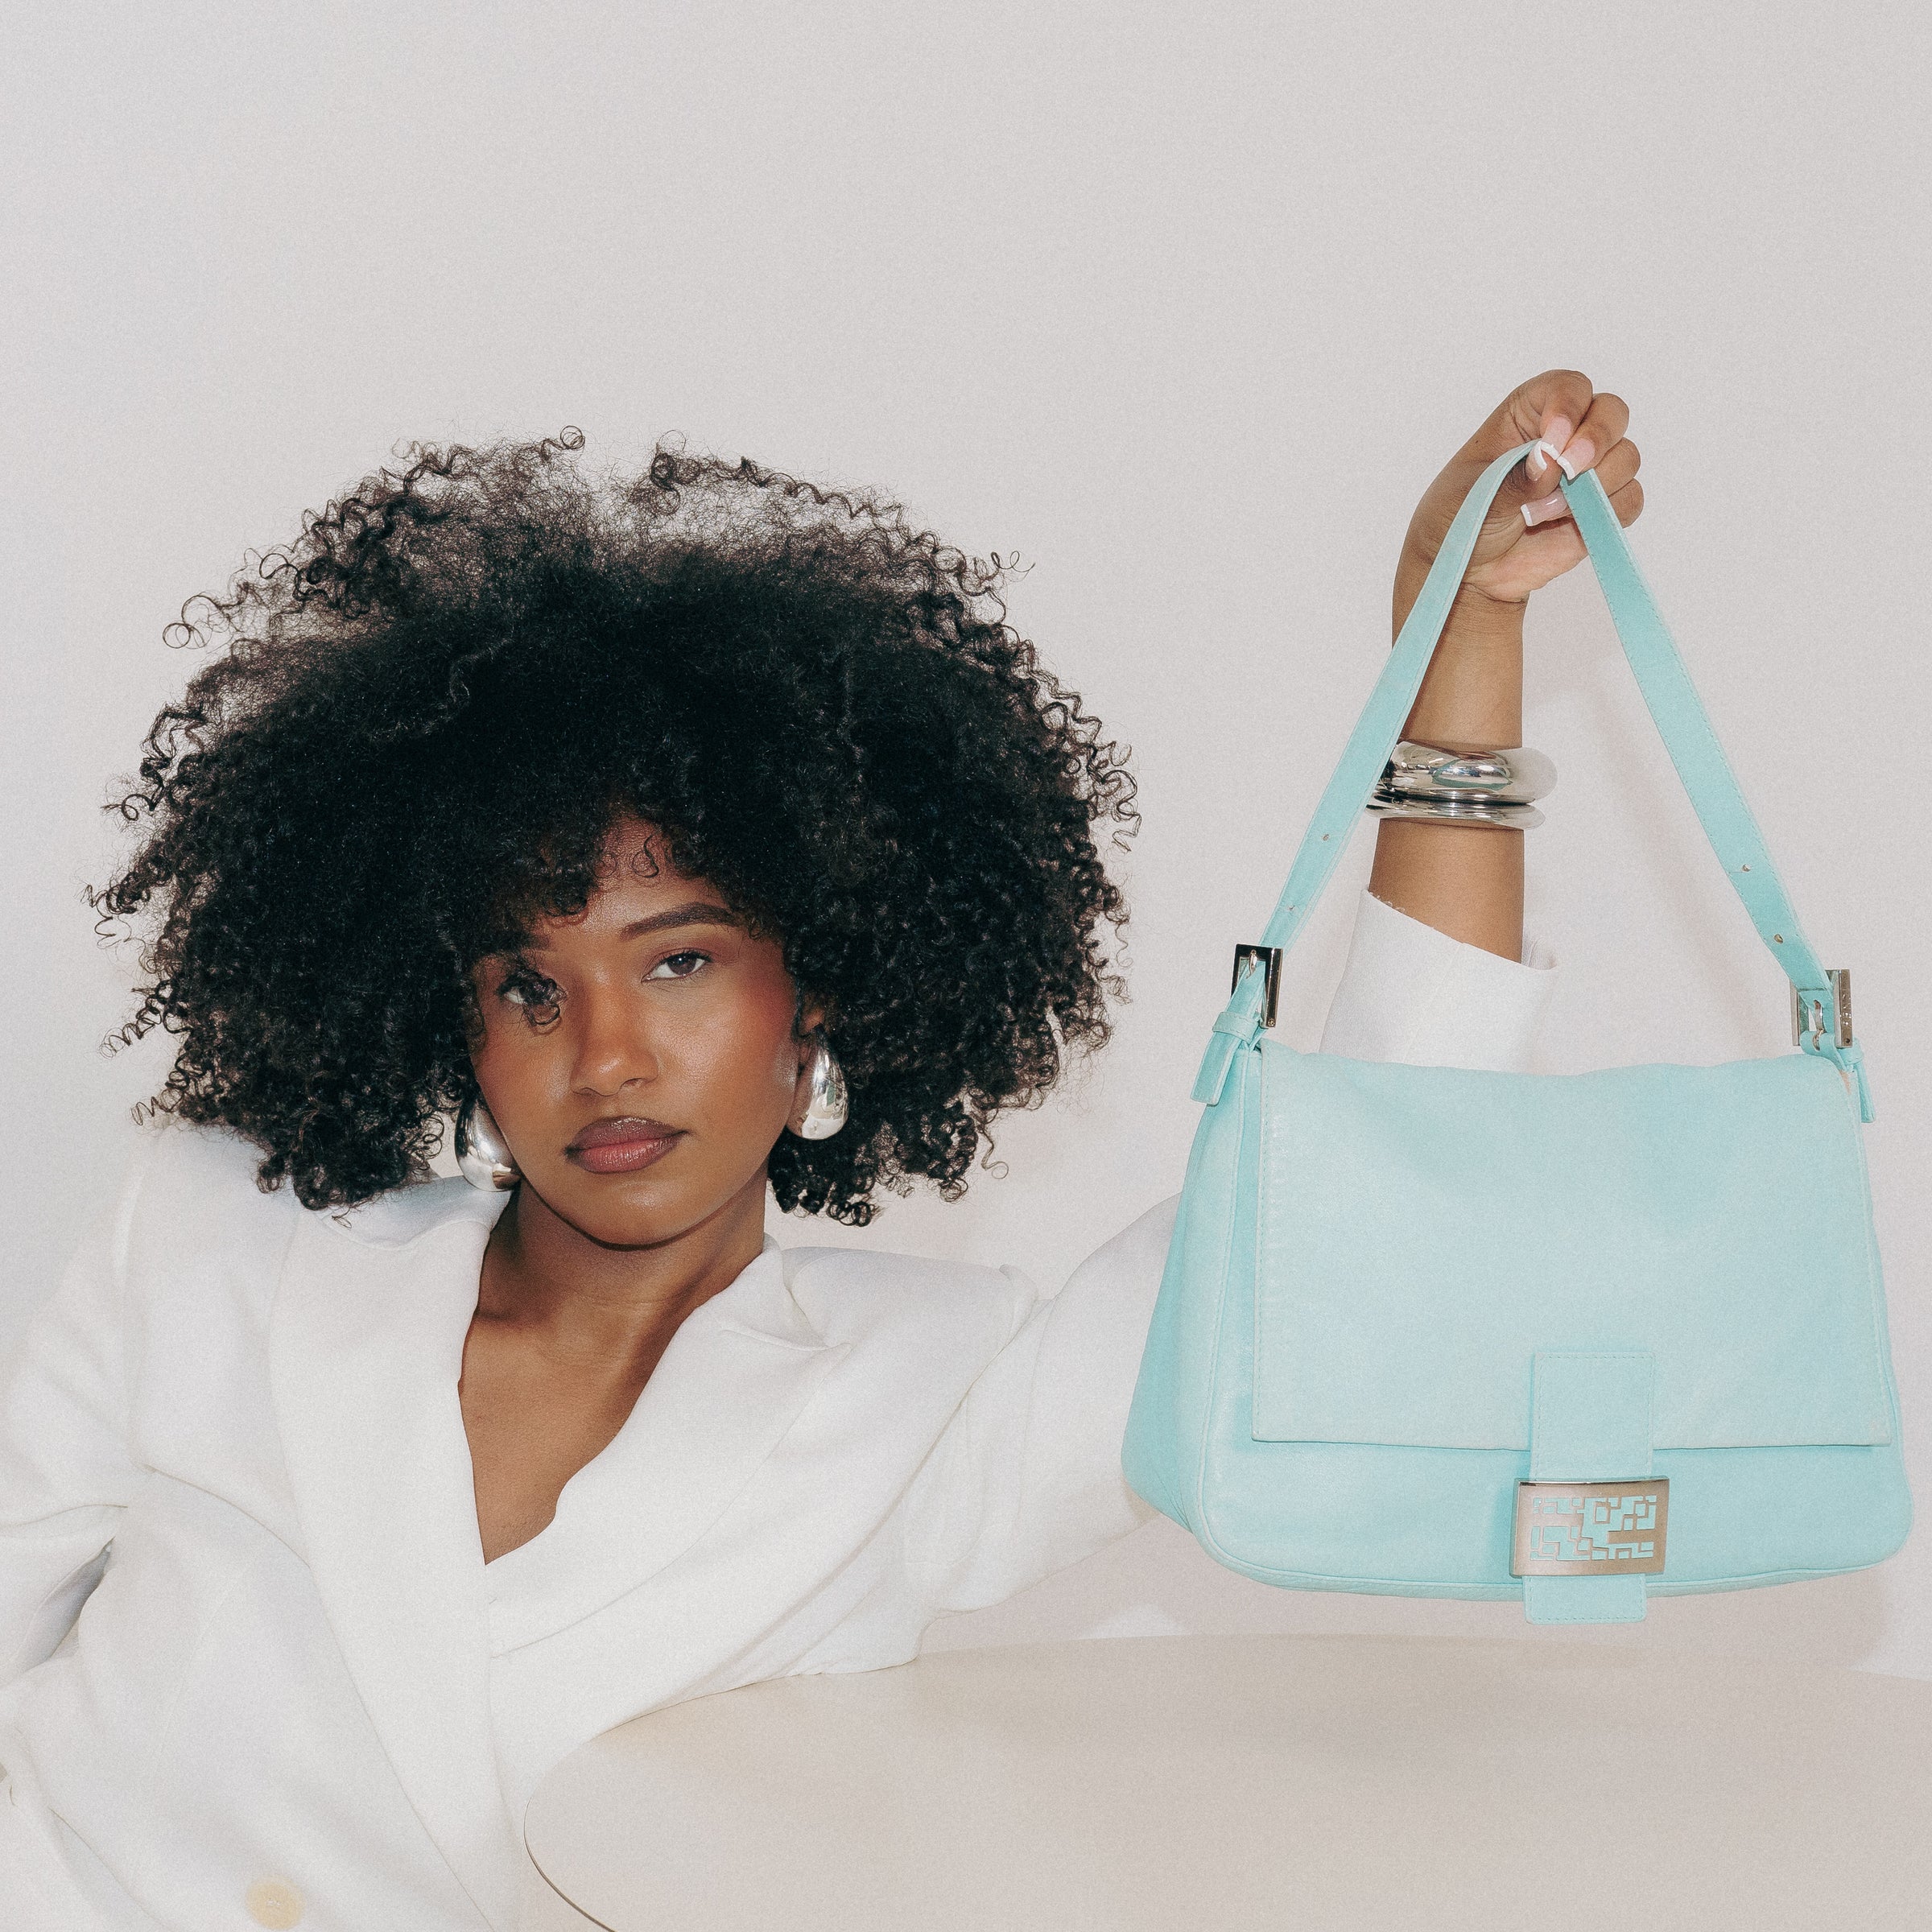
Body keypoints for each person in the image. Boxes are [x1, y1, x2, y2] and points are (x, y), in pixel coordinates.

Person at [0, 374, 1639, 1931]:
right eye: (529, 987)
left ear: (821, 999)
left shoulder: (928, 1401)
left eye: (680, 960)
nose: (606, 1055)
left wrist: (1459, 649)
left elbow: (1354, 1199)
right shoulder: (212, 1239)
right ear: (458, 1030)